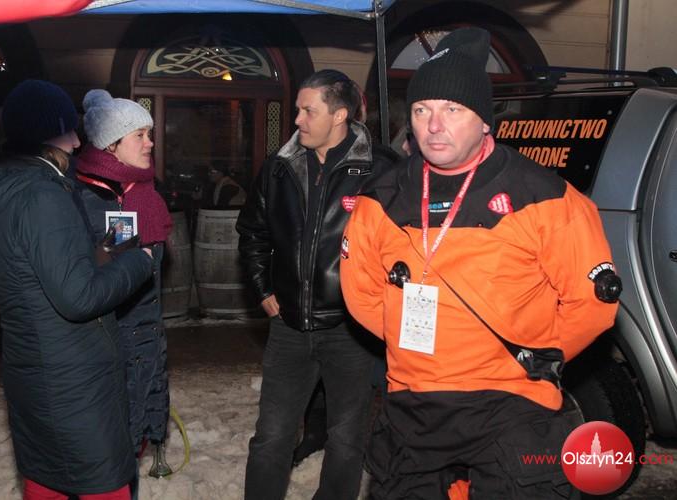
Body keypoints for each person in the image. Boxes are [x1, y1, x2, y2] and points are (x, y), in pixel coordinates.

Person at [340, 28, 620, 499]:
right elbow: (362, 293)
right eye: (422, 110)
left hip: (512, 403)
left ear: (485, 121)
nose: (434, 125)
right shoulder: (381, 198)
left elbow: (591, 302)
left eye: (453, 109)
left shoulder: (545, 196)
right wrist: (424, 352)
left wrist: (533, 355)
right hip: (414, 401)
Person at [0, 79, 154, 500]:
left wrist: (103, 251)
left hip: (34, 373)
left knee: (47, 481)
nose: (78, 139)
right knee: (103, 485)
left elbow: (40, 271)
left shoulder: (5, 190)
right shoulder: (42, 195)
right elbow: (77, 297)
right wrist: (141, 261)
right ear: (54, 132)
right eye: (70, 129)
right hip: (74, 384)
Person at [237, 69, 393, 500]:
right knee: (272, 436)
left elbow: (402, 246)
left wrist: (377, 303)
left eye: (308, 111)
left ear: (339, 115)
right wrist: (263, 290)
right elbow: (252, 232)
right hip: (288, 327)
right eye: (297, 110)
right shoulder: (280, 166)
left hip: (352, 330)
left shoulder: (379, 169)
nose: (297, 120)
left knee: (347, 438)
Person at [73, 89, 174, 485]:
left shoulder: (139, 191)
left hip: (145, 329)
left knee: (142, 411)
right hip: (116, 338)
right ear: (111, 144)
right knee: (119, 431)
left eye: (150, 134)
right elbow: (103, 274)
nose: (150, 143)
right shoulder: (94, 196)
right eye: (140, 135)